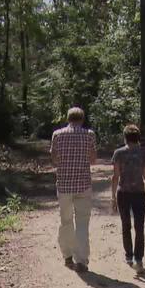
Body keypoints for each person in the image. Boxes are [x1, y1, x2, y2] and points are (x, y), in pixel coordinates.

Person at [50, 106, 98, 272]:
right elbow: (92, 160)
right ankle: (82, 261)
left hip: (64, 185)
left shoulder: (57, 135)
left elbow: (54, 160)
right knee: (82, 223)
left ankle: (67, 256)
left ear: (68, 118)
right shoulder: (89, 135)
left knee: (66, 221)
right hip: (83, 184)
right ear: (82, 119)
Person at [111, 124, 145, 274]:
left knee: (126, 226)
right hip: (138, 193)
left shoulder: (118, 153)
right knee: (139, 227)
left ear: (125, 137)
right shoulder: (143, 153)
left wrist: (112, 197)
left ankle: (128, 256)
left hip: (123, 193)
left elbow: (115, 176)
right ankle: (139, 259)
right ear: (138, 138)